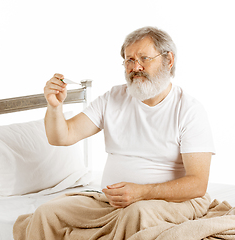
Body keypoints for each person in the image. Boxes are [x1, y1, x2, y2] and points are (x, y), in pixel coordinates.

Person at [13, 26, 215, 240]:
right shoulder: (114, 98)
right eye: (129, 60)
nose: (136, 67)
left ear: (169, 60)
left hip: (173, 203)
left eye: (144, 58)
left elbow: (198, 184)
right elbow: (61, 136)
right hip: (111, 203)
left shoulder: (189, 110)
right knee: (47, 213)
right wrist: (54, 106)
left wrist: (141, 192)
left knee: (137, 213)